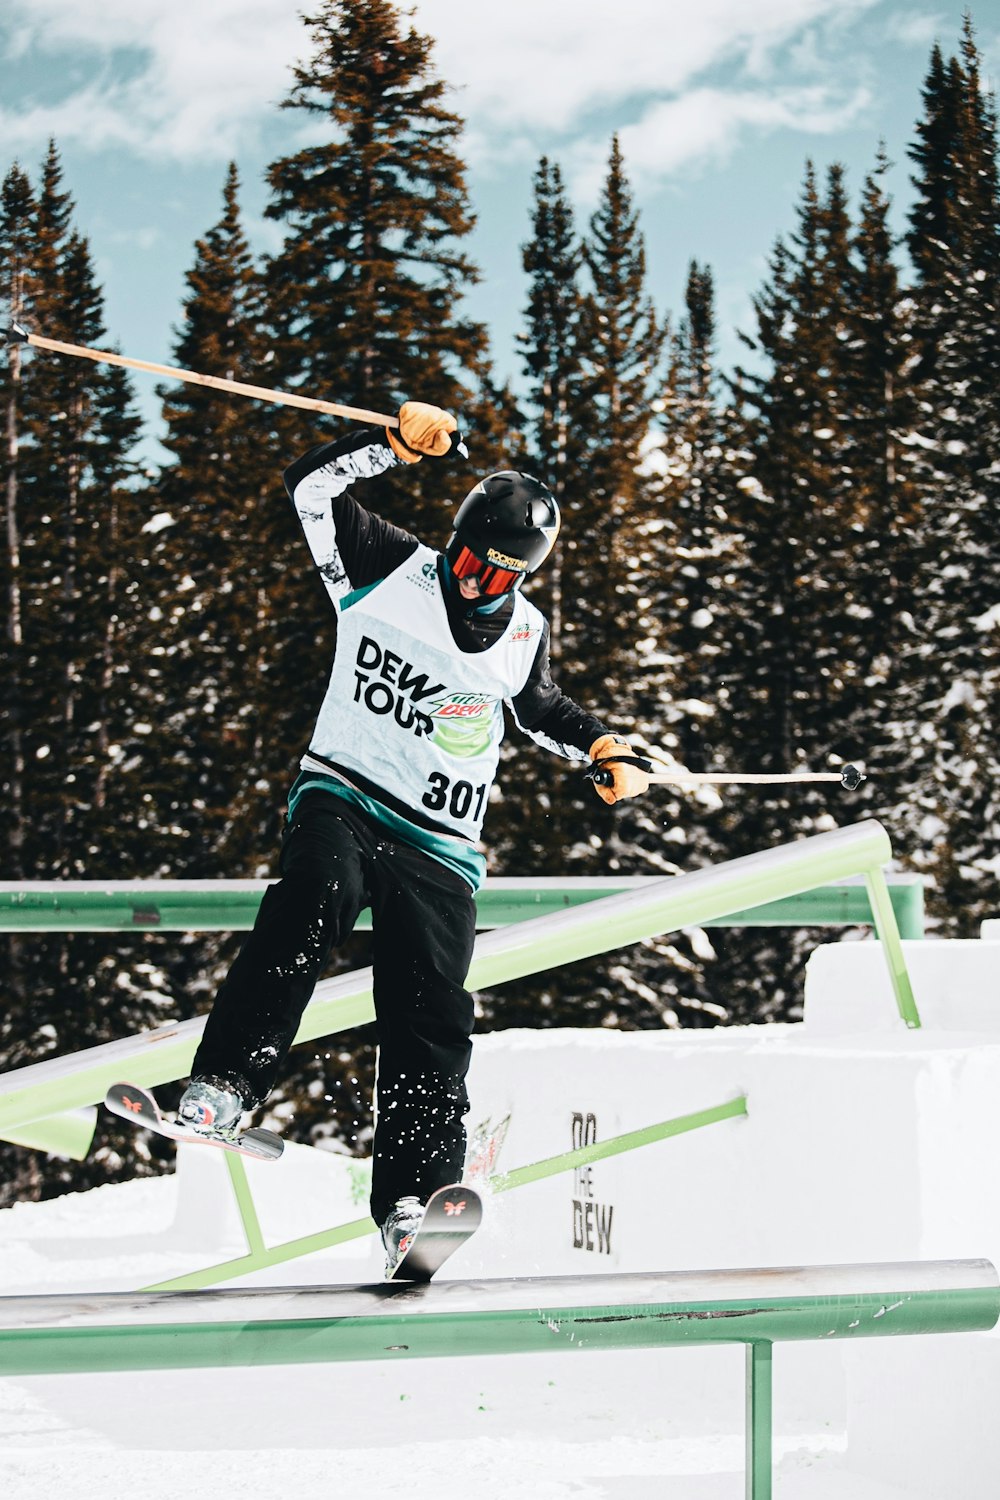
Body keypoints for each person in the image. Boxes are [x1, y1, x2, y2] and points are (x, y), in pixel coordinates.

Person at [176, 401, 649, 1273]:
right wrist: (387, 447)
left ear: (523, 576)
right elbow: (309, 489)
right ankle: (224, 1087)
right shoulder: (387, 565)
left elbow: (539, 709)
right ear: (454, 539)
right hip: (345, 795)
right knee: (310, 902)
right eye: (469, 560)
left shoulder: (525, 631)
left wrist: (600, 746)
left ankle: (410, 1202)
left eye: (499, 575)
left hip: (440, 845)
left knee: (432, 1010)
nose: (476, 583)